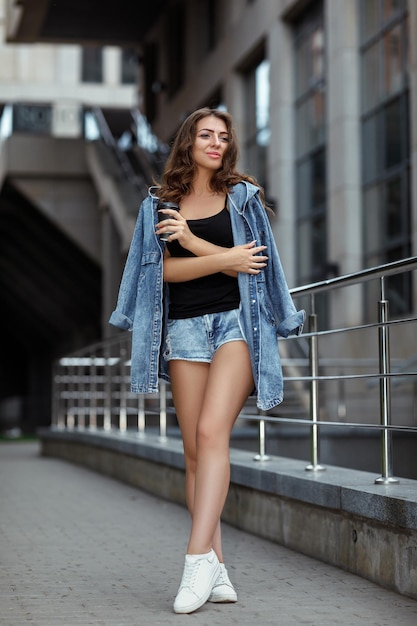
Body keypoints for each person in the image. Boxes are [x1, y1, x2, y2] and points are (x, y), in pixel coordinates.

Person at [109, 108, 304, 614]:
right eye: (206, 135)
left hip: (238, 325)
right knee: (195, 452)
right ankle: (216, 567)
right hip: (183, 330)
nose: (216, 143)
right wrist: (219, 257)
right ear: (188, 142)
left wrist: (194, 243)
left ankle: (195, 560)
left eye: (223, 137)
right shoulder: (161, 204)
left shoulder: (242, 198)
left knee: (213, 433)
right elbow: (162, 276)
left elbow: (256, 261)